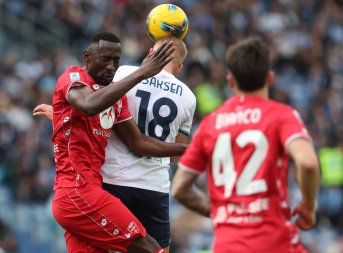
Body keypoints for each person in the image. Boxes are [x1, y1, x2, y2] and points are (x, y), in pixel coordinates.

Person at [34, 37, 196, 253]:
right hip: (78, 193)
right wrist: (141, 73)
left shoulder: (116, 97)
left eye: (116, 61)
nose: (111, 66)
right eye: (106, 59)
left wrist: (192, 149)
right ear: (88, 58)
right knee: (151, 248)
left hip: (89, 192)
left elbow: (137, 142)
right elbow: (89, 105)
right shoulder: (73, 77)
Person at [171, 36, 320, 253]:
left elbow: (179, 189)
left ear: (230, 80)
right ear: (269, 78)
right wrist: (308, 207)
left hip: (226, 245)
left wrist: (225, 213)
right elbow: (308, 163)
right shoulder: (281, 115)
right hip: (273, 242)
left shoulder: (210, 124)